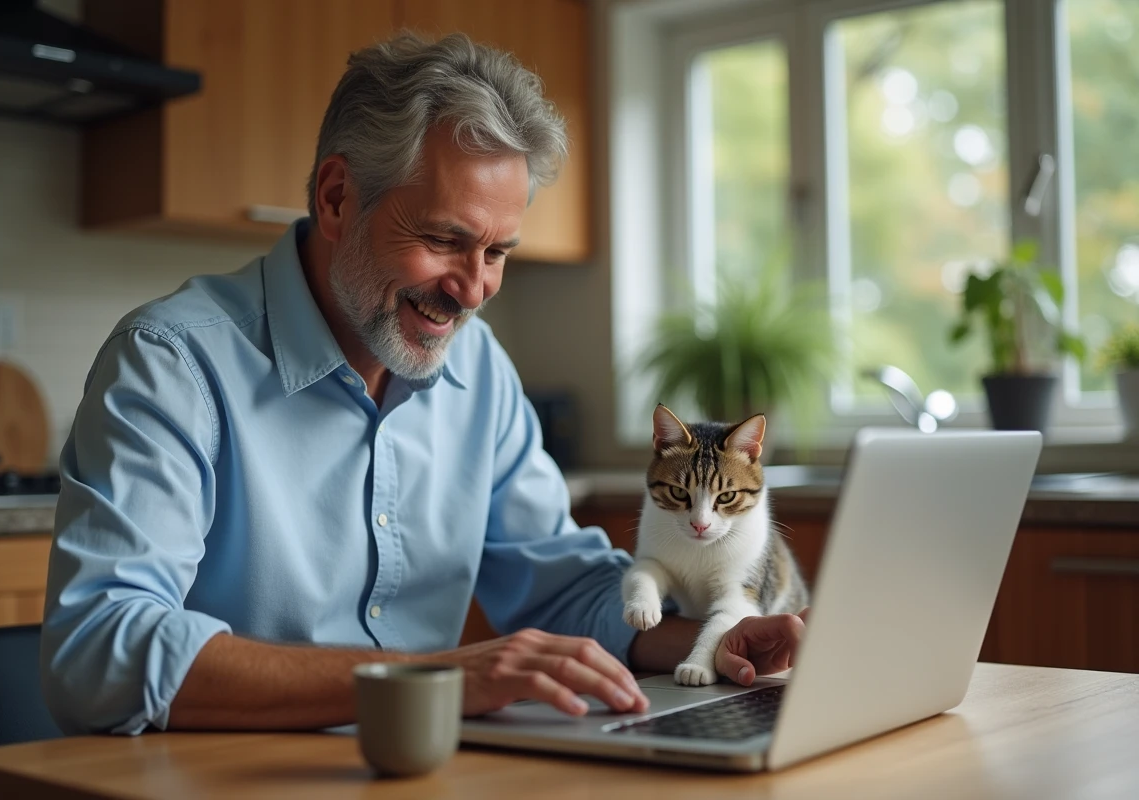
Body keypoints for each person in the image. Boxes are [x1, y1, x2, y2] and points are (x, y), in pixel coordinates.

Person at [39, 32, 806, 735]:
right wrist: (434, 677)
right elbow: (99, 649)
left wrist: (715, 638)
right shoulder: (171, 362)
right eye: (445, 240)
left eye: (498, 252)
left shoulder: (479, 369)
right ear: (337, 198)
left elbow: (561, 589)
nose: (473, 290)